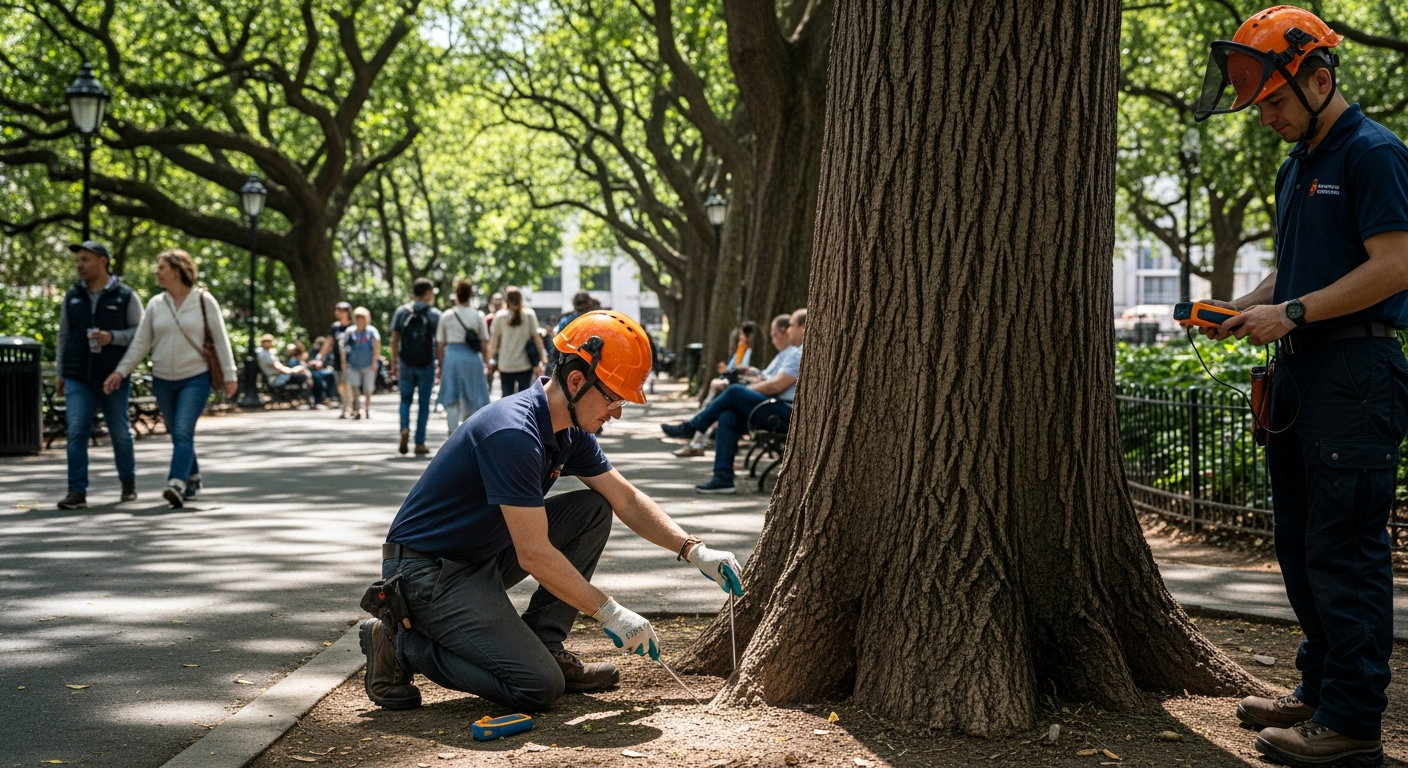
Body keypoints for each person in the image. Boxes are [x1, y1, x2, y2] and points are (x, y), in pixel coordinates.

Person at [1187, 7, 1408, 762]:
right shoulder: (1297, 166)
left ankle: (1351, 724)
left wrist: (1294, 313)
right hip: (1301, 371)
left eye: (1275, 101)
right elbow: (1294, 273)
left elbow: (1395, 266)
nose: (1265, 117)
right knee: (1300, 544)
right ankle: (1319, 690)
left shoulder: (1374, 154)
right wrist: (1244, 309)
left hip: (1356, 373)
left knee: (1344, 549)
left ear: (1319, 79)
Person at [359, 310, 744, 713]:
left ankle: (545, 643)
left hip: (478, 558)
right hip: (426, 573)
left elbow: (625, 499)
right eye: (613, 397)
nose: (617, 412)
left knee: (592, 509)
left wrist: (694, 550)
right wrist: (609, 612)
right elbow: (534, 554)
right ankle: (400, 644)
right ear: (577, 382)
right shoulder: (513, 433)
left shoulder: (569, 431)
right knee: (537, 686)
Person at [105, 249, 237, 508]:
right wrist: (120, 371)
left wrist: (230, 375)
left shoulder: (203, 300)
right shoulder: (156, 304)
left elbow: (221, 340)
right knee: (178, 434)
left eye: (161, 267)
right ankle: (193, 477)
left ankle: (176, 482)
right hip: (163, 379)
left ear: (176, 271)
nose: (157, 271)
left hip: (195, 377)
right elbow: (141, 343)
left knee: (183, 430)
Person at [661, 308, 805, 493]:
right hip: (776, 409)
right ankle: (723, 479)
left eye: (791, 325)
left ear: (802, 327)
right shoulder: (797, 352)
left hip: (784, 413)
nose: (788, 330)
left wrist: (746, 391)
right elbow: (772, 381)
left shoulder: (800, 353)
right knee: (729, 417)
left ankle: (693, 427)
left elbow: (777, 386)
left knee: (734, 391)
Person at [55, 241, 143, 509]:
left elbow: (140, 334)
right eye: (78, 260)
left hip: (112, 377)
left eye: (85, 260)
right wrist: (61, 372)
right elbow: (63, 335)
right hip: (78, 376)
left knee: (119, 433)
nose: (79, 265)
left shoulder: (125, 295)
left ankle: (128, 482)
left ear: (102, 262)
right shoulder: (72, 296)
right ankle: (76, 491)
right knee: (76, 431)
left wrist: (112, 337)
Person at [674, 319, 765, 458]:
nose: (741, 339)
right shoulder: (741, 349)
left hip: (748, 390)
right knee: (717, 399)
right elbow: (736, 368)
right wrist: (727, 371)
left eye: (743, 336)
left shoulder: (754, 353)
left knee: (722, 395)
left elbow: (758, 376)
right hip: (741, 385)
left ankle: (694, 429)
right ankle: (696, 435)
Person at [391, 278, 442, 456]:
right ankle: (420, 442)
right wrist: (441, 364)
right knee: (424, 404)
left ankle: (404, 428)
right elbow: (440, 342)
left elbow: (395, 337)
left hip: (406, 363)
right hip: (426, 364)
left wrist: (394, 361)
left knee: (405, 400)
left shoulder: (401, 312)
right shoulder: (434, 314)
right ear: (427, 293)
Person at [437, 279, 493, 435]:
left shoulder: (447, 315)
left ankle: (452, 432)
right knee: (473, 396)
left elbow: (440, 343)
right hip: (472, 359)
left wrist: (442, 364)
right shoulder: (477, 315)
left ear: (456, 295)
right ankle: (468, 432)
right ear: (471, 295)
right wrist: (487, 362)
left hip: (452, 358)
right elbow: (484, 341)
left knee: (452, 396)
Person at [490, 286, 547, 398]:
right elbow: (537, 338)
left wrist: (492, 356)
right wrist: (542, 357)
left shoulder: (500, 316)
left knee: (506, 398)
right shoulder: (529, 315)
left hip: (506, 364)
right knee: (524, 398)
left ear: (506, 300)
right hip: (524, 364)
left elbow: (494, 343)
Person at [342, 307, 381, 419]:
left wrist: (375, 362)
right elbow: (343, 348)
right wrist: (344, 362)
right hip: (353, 364)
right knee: (354, 387)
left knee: (368, 388)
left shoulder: (372, 331)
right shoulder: (350, 332)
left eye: (362, 318)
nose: (359, 320)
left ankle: (367, 409)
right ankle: (357, 409)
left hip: (368, 364)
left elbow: (377, 346)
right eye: (357, 318)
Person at [319, 302, 355, 418]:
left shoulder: (353, 327)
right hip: (337, 360)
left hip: (351, 360)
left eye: (341, 310)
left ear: (347, 312)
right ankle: (346, 404)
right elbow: (328, 343)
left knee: (347, 383)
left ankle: (347, 407)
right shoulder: (335, 327)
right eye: (337, 310)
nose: (338, 313)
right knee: (340, 385)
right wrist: (321, 357)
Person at [549, 292, 594, 374]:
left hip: (567, 361)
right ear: (589, 303)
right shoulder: (593, 320)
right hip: (588, 363)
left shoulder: (566, 320)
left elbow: (558, 344)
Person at [292, 341, 337, 408]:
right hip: (306, 375)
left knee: (329, 375)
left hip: (315, 371)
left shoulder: (305, 357)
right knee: (317, 378)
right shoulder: (294, 360)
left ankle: (332, 396)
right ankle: (318, 401)